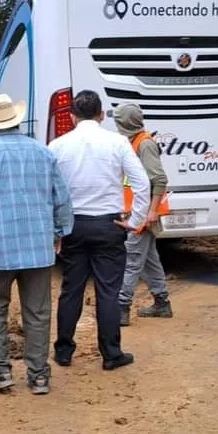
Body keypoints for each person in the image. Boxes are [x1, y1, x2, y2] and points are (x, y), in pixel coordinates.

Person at [0, 94, 73, 395]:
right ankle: (39, 376)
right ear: (16, 120)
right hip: (39, 247)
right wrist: (60, 232)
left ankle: (0, 373)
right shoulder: (43, 153)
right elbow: (61, 198)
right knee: (37, 312)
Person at [49, 90, 149, 371]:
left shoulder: (57, 145)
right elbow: (142, 183)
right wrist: (135, 220)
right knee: (108, 291)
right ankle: (111, 353)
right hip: (109, 224)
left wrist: (56, 229)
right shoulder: (117, 142)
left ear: (72, 117)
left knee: (72, 288)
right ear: (101, 115)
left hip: (74, 225)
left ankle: (64, 350)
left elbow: (49, 190)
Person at [113, 103, 173, 326]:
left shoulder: (144, 144)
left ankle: (121, 308)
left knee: (131, 260)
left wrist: (151, 212)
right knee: (149, 260)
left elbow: (159, 179)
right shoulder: (133, 142)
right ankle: (162, 302)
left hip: (142, 214)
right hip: (138, 212)